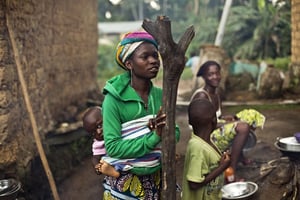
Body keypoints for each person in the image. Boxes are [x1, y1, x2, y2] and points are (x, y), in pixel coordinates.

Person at [101, 31, 180, 199]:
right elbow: (113, 147)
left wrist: (162, 131)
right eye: (145, 57)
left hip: (157, 179)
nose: (153, 61)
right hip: (125, 184)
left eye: (155, 56)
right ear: (129, 64)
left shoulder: (161, 95)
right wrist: (154, 137)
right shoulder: (113, 100)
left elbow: (176, 131)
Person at [191, 60, 265, 173]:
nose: (215, 77)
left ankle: (239, 157)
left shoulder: (216, 93)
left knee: (245, 119)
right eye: (210, 74)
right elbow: (202, 125)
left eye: (217, 73)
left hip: (213, 130)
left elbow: (216, 116)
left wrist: (229, 118)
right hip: (204, 137)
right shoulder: (202, 95)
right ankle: (231, 169)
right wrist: (230, 124)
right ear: (204, 77)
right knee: (243, 127)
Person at [182, 98, 231, 200]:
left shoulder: (207, 142)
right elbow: (194, 184)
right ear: (214, 121)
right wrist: (222, 167)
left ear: (190, 122)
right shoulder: (198, 148)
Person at [82, 106, 120, 178]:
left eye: (99, 125)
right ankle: (113, 173)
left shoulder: (118, 127)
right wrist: (97, 166)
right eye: (93, 133)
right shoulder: (98, 144)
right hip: (114, 165)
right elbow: (95, 157)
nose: (98, 132)